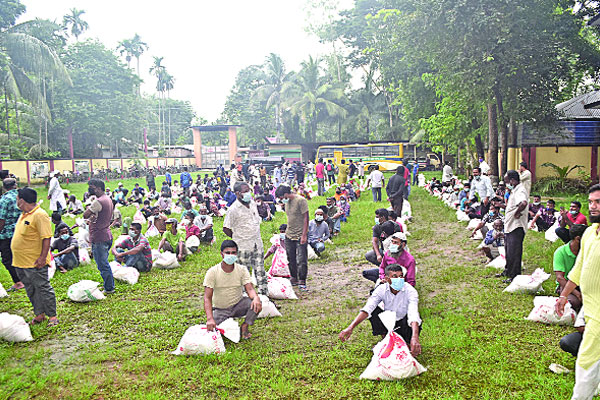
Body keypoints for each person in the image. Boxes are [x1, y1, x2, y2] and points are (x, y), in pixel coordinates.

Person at [556, 184, 600, 399]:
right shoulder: (590, 232)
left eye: (598, 202)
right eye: (591, 201)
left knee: (585, 361)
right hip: (590, 309)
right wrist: (564, 295)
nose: (593, 206)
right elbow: (579, 268)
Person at [339, 264, 422, 357]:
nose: (399, 279)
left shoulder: (410, 291)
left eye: (401, 276)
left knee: (406, 347)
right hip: (388, 322)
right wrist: (351, 327)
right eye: (394, 276)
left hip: (404, 322)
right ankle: (385, 338)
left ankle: (407, 340)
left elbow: (413, 313)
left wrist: (415, 337)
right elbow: (367, 309)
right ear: (387, 279)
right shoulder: (381, 289)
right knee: (375, 310)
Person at [12, 187, 57, 326]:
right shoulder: (25, 214)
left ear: (22, 200)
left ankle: (52, 317)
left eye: (17, 198)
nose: (16, 201)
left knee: (43, 288)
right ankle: (39, 314)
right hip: (21, 261)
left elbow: (46, 238)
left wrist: (43, 257)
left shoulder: (39, 214)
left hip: (35, 261)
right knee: (31, 289)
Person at [203, 240, 262, 340]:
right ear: (221, 254)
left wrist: (256, 297)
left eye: (233, 253)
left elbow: (250, 288)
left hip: (238, 304)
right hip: (220, 309)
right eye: (227, 253)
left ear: (237, 254)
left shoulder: (242, 270)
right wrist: (210, 319)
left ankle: (245, 326)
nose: (231, 255)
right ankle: (222, 322)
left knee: (256, 303)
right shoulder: (212, 272)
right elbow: (207, 298)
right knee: (214, 334)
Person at [223, 182, 267, 296]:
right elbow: (226, 228)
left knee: (260, 270)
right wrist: (237, 237)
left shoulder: (252, 203)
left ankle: (264, 296)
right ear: (238, 194)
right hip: (242, 245)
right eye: (245, 191)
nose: (248, 193)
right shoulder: (233, 209)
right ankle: (246, 297)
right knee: (244, 274)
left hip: (257, 243)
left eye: (249, 190)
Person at [83, 179, 115, 294]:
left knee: (103, 265)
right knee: (104, 262)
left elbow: (85, 214)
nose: (90, 190)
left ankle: (109, 288)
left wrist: (90, 203)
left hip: (100, 237)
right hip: (106, 234)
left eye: (92, 187)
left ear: (98, 188)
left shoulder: (98, 202)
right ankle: (108, 285)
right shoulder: (107, 199)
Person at [275, 184, 309, 290]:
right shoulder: (287, 203)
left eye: (281, 198)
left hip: (300, 234)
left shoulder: (300, 201)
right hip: (289, 234)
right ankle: (294, 277)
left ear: (285, 194)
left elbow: (306, 218)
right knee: (291, 258)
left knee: (301, 259)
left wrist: (304, 235)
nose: (281, 200)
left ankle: (302, 280)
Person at [500, 170, 528, 283]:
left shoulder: (520, 190)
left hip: (516, 227)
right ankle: (508, 270)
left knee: (514, 251)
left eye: (507, 181)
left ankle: (514, 275)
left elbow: (524, 203)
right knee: (508, 250)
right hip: (510, 226)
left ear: (512, 180)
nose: (507, 184)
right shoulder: (515, 190)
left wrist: (517, 212)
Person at [553, 224, 586, 313]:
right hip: (566, 285)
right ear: (578, 239)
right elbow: (560, 278)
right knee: (574, 302)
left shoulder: (587, 252)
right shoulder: (561, 252)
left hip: (583, 284)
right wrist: (577, 294)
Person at [0, 178, 23, 291]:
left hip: (7, 234)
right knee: (19, 255)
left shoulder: (4, 199)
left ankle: (18, 282)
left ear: (4, 187)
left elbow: (2, 220)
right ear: (15, 185)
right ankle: (24, 278)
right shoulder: (21, 196)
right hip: (21, 230)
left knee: (7, 258)